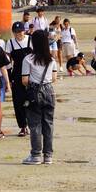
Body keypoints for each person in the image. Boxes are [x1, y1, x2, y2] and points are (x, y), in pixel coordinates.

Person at [20, 29, 57, 165]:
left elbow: (24, 80)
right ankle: (48, 155)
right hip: (49, 91)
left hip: (35, 91)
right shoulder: (51, 59)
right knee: (48, 123)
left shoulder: (28, 59)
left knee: (35, 124)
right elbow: (54, 78)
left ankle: (36, 155)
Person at [4, 22, 31, 137]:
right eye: (16, 32)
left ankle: (33, 124)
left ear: (24, 31)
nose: (18, 34)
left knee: (32, 100)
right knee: (18, 101)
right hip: (17, 75)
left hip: (31, 74)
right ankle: (23, 126)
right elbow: (7, 62)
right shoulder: (10, 43)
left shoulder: (31, 40)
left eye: (20, 31)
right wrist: (9, 79)